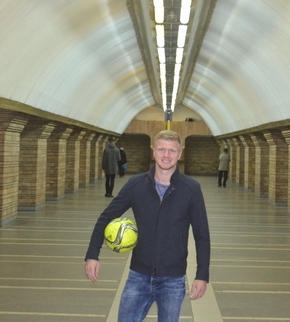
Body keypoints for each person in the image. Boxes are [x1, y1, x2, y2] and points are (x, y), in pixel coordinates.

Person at [85, 130, 210, 322]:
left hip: (173, 279)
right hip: (138, 276)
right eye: (161, 149)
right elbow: (105, 218)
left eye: (172, 150)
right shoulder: (135, 185)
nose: (166, 155)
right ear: (154, 151)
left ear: (179, 153)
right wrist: (92, 254)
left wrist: (202, 275)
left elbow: (202, 236)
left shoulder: (191, 189)